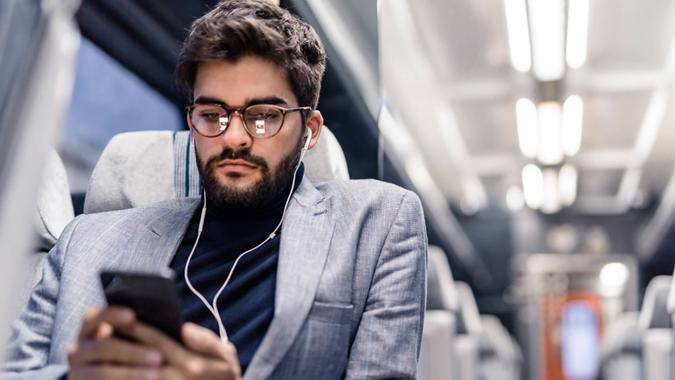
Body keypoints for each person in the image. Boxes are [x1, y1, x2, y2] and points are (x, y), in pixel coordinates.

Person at [1, 1, 427, 379]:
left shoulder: (380, 224)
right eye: (212, 115)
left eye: (263, 117)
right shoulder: (86, 241)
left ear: (310, 131)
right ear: (192, 123)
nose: (234, 137)